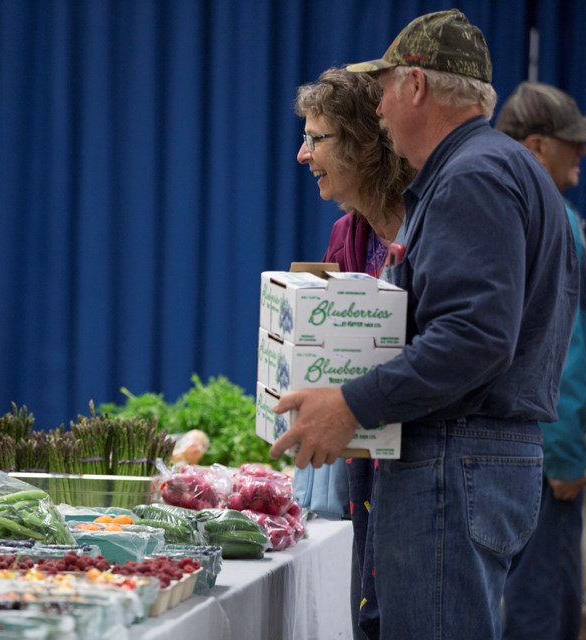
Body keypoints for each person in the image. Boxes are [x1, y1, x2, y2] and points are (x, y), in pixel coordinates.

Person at [270, 10, 579, 640]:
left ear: (414, 86)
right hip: (479, 460)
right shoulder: (500, 169)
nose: (378, 108)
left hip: (454, 458)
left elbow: (474, 337)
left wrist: (350, 404)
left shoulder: (472, 177)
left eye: (382, 88)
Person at [293, 66, 415, 639]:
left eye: (317, 138)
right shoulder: (348, 235)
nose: (302, 154)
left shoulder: (430, 220)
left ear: (366, 144)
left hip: (424, 464)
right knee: (368, 620)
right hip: (367, 468)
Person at [495, 81, 586, 640]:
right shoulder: (559, 222)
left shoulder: (509, 212)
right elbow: (567, 346)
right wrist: (567, 453)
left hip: (521, 444)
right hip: (548, 452)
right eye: (570, 143)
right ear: (534, 146)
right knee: (544, 609)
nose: (580, 153)